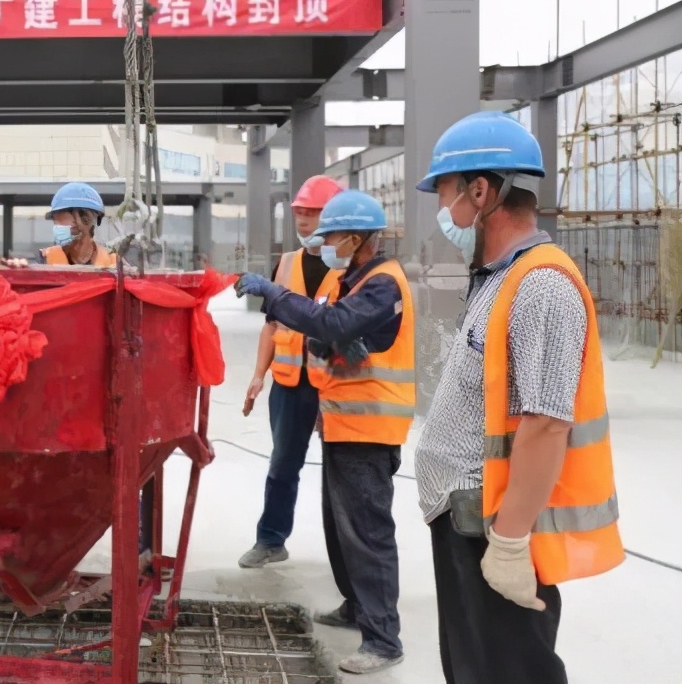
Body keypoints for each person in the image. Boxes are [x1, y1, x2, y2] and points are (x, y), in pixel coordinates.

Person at [413, 111, 623, 684]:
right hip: (469, 519)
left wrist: (508, 542)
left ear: (482, 192)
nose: (444, 211)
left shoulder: (541, 285)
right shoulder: (501, 278)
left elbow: (548, 424)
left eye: (449, 194)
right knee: (474, 668)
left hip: (497, 526)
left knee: (506, 671)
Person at [235, 189, 413, 675]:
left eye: (330, 234)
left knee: (367, 533)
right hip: (342, 420)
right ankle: (356, 607)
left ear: (355, 238)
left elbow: (331, 322)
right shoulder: (351, 280)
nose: (322, 242)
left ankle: (382, 639)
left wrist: (274, 294)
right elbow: (335, 334)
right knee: (340, 527)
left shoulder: (382, 283)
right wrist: (331, 341)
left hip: (369, 425)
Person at [237, 175, 344, 569]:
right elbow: (271, 325)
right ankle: (270, 539)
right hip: (289, 384)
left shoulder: (349, 269)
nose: (303, 221)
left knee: (342, 473)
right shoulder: (285, 263)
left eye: (312, 213)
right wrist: (257, 374)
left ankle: (346, 551)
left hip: (334, 385)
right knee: (283, 464)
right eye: (299, 213)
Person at [40, 182, 117, 267]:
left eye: (61, 219)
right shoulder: (44, 259)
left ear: (85, 220)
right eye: (55, 220)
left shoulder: (113, 263)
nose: (57, 227)